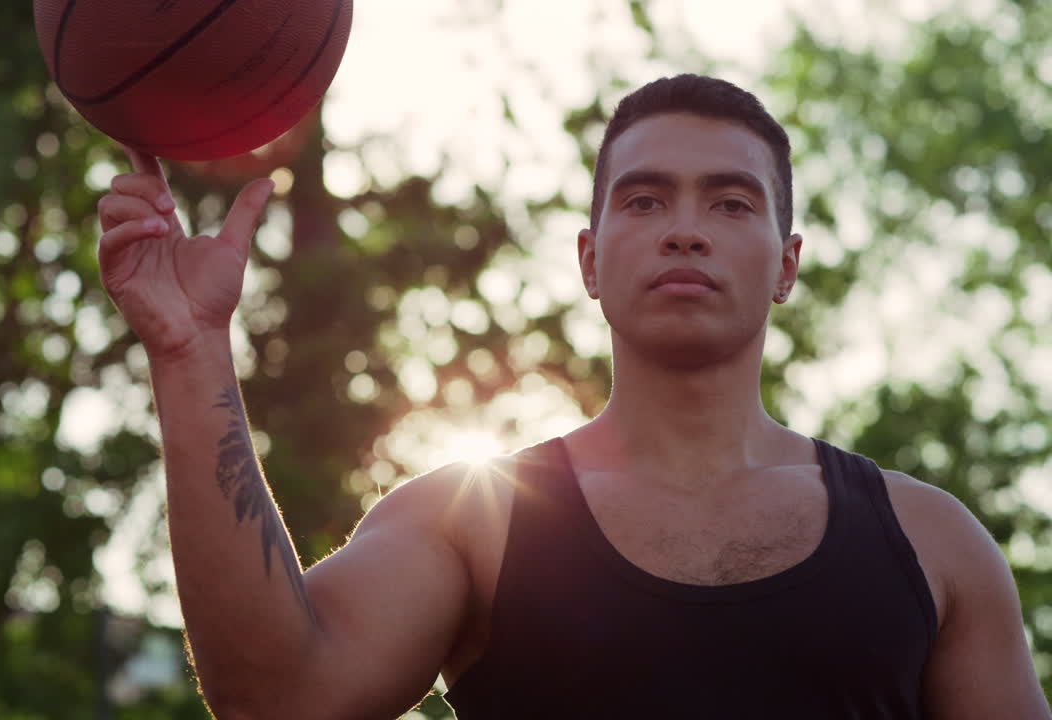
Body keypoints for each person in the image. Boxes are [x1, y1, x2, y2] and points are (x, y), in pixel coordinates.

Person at [93, 74, 1050, 718]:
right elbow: (278, 696)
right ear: (590, 260)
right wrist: (189, 353)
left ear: (786, 263)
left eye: (730, 202)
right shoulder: (476, 521)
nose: (685, 230)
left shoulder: (932, 543)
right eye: (643, 201)